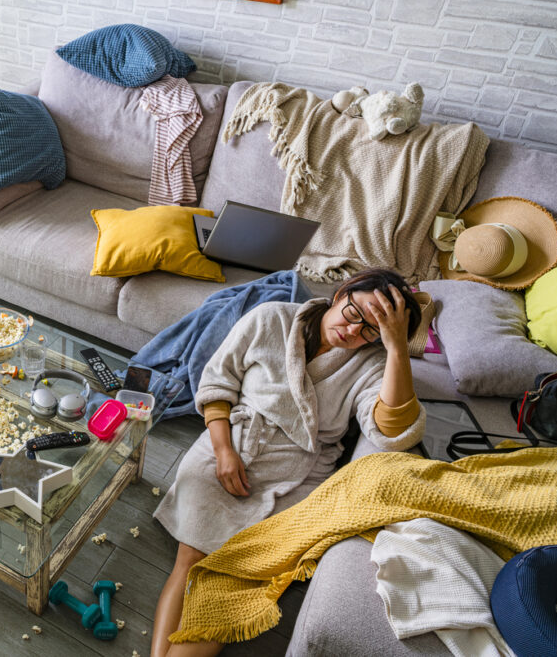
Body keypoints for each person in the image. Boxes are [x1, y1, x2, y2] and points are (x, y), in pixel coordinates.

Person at [151, 268, 427, 657]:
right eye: (354, 313)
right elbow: (217, 382)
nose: (353, 332)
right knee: (190, 558)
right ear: (341, 294)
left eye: (371, 330)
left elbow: (393, 430)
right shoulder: (272, 318)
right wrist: (224, 451)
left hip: (296, 475)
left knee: (236, 579)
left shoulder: (372, 365)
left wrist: (396, 348)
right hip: (230, 443)